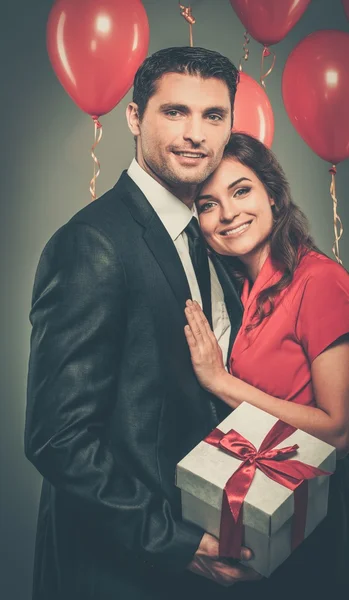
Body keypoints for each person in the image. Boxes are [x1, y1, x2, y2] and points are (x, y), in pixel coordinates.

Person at [24, 48, 264, 600]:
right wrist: (175, 543)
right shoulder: (94, 243)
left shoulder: (215, 238)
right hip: (120, 571)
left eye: (213, 116)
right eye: (175, 112)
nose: (195, 134)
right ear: (135, 118)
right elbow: (57, 438)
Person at [184, 132, 349, 594]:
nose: (229, 213)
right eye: (208, 204)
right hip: (256, 508)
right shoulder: (236, 291)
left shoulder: (319, 280)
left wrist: (221, 382)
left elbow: (339, 430)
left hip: (308, 515)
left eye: (241, 190)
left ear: (273, 195)